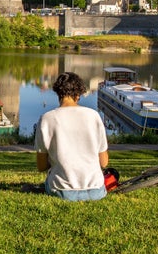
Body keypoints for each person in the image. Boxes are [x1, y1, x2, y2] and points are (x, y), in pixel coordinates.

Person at [34, 72, 109, 201]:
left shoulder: (47, 119)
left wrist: (58, 159)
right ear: (78, 94)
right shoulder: (94, 116)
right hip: (96, 191)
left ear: (58, 93)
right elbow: (104, 162)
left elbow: (41, 166)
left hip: (62, 191)